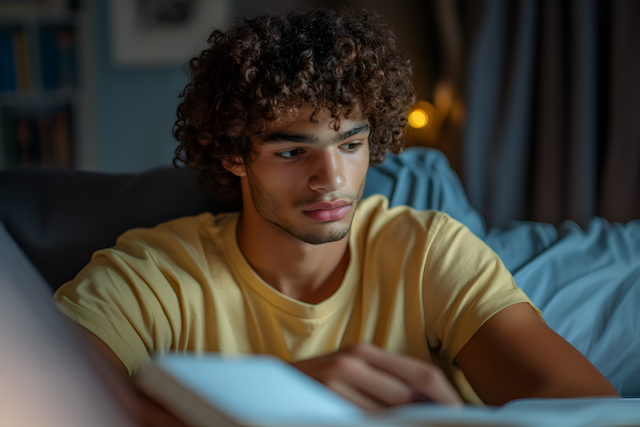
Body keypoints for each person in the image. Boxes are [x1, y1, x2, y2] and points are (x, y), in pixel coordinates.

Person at [53, 6, 618, 425]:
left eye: (351, 145)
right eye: (293, 151)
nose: (333, 179)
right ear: (234, 156)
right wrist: (274, 397)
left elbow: (589, 407)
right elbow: (46, 401)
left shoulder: (428, 251)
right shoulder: (154, 273)